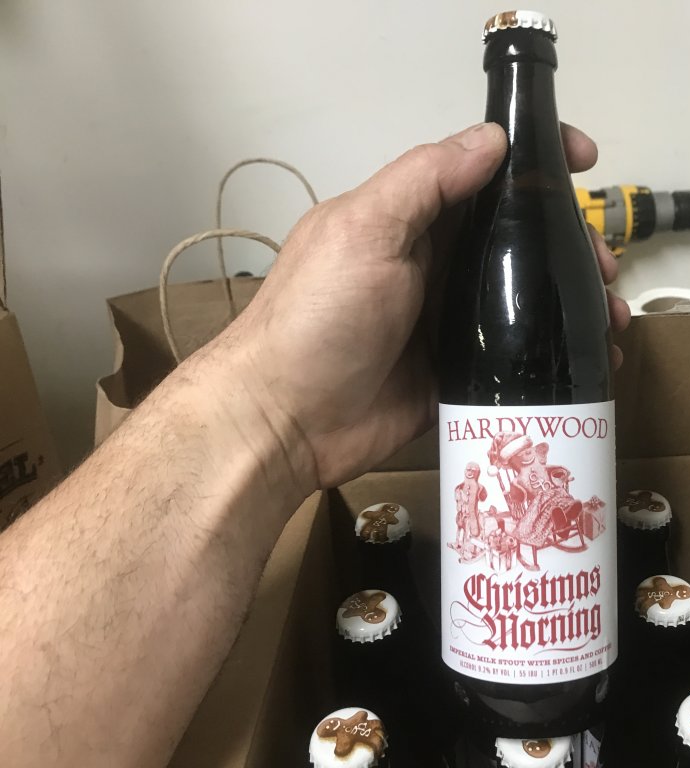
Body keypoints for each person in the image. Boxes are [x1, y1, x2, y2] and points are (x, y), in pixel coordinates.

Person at [0, 121, 630, 768]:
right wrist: (268, 407)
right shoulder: (503, 481)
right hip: (491, 650)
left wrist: (267, 419)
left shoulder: (542, 480)